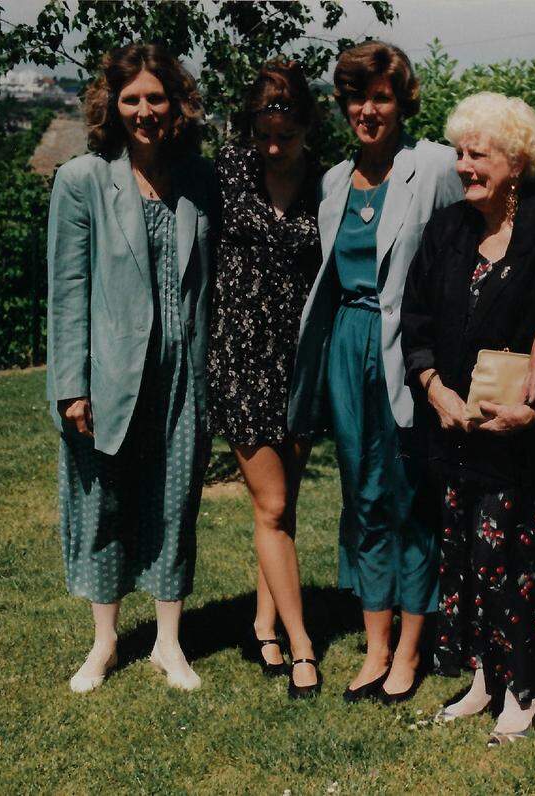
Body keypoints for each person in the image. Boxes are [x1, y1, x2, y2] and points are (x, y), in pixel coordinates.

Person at [400, 92, 535, 745]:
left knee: (513, 562)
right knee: (466, 561)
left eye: (478, 154)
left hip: (517, 442)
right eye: (460, 152)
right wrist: (434, 390)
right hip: (452, 435)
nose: (463, 164)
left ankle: (523, 687)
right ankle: (482, 678)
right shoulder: (446, 229)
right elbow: (413, 325)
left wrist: (533, 412)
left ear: (516, 160)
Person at [289, 41, 462, 703]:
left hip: (408, 350)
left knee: (411, 499)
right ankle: (376, 646)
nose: (368, 110)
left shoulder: (436, 166)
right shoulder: (333, 181)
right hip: (346, 347)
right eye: (356, 97)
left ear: (402, 101)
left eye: (381, 97)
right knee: (361, 497)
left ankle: (411, 651)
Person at [46, 43, 217, 693]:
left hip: (183, 374)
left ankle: (169, 645)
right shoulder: (83, 180)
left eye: (156, 97)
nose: (144, 110)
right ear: (112, 106)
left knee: (175, 503)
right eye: (131, 99)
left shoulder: (199, 180)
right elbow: (67, 292)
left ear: (176, 103)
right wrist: (72, 387)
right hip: (110, 375)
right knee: (106, 507)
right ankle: (105, 643)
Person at [207, 61, 323, 698]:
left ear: (307, 126)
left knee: (280, 509)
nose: (273, 148)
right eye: (263, 134)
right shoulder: (226, 171)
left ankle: (264, 623)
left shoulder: (326, 185)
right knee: (272, 505)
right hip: (241, 358)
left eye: (286, 135)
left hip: (301, 361)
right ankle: (302, 647)